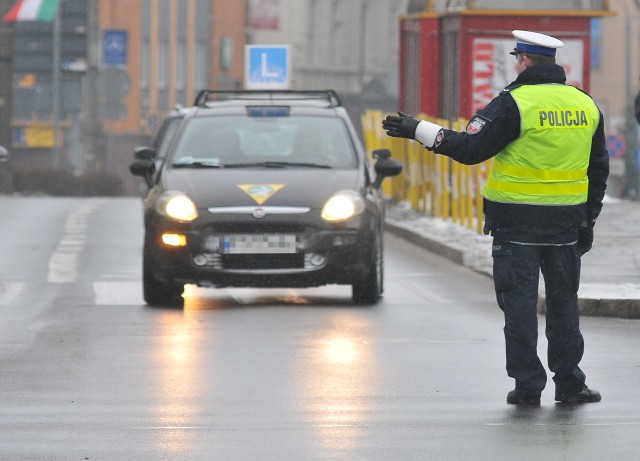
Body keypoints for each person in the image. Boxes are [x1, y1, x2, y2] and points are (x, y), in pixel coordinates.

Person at [383, 30, 609, 406]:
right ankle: (570, 384)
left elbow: (471, 149)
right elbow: (597, 169)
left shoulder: (513, 103)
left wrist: (417, 129)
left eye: (516, 57)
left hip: (516, 225)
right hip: (566, 226)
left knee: (519, 307)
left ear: (524, 61)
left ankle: (527, 386)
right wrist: (589, 219)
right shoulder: (584, 104)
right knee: (563, 306)